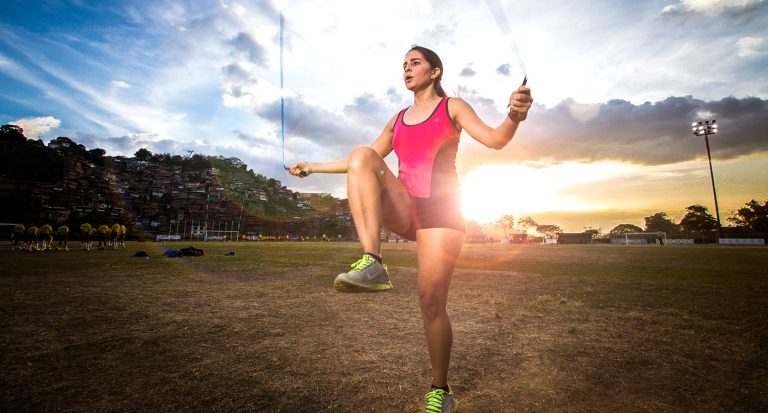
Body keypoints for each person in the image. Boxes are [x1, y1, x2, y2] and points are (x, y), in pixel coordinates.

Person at [288, 45, 532, 413]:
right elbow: (360, 162)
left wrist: (514, 114)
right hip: (406, 207)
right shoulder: (397, 118)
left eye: (415, 63)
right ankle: (372, 261)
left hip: (441, 211)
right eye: (404, 64)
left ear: (435, 72)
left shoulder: (453, 107)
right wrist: (312, 166)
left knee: (430, 301)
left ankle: (440, 390)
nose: (407, 69)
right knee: (361, 154)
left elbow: (496, 139)